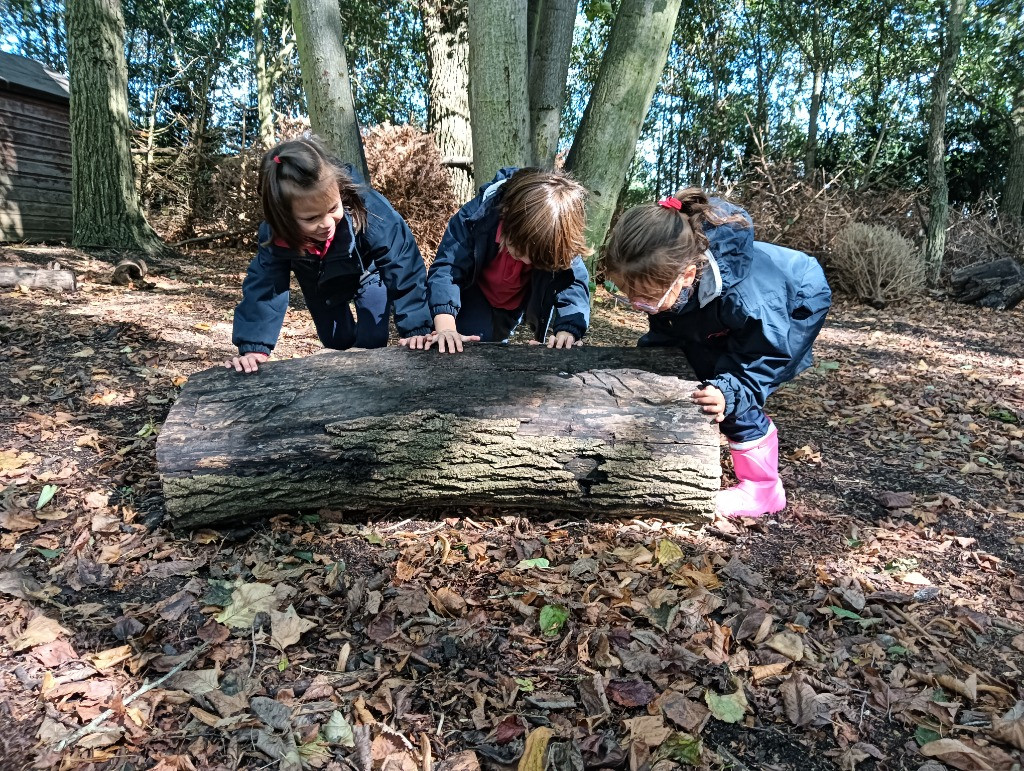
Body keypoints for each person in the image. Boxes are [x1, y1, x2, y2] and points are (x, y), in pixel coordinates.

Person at [601, 189, 832, 518]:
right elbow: (669, 325)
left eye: (645, 297)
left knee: (727, 387)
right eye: (627, 294)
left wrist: (729, 390)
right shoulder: (663, 270)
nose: (637, 304)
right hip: (728, 312)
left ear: (688, 276)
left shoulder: (745, 300)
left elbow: (764, 357)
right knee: (692, 361)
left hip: (796, 302)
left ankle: (763, 489)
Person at [225, 137, 432, 373]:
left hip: (366, 272)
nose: (326, 223)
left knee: (372, 339)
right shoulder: (276, 236)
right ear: (283, 218)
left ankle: (370, 383)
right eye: (311, 218)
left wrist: (418, 328)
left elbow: (402, 261)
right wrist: (253, 347)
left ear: (339, 190)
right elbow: (265, 288)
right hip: (318, 280)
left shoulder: (367, 207)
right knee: (336, 341)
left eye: (333, 208)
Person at [401, 167, 592, 353]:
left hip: (511, 306)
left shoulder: (556, 236)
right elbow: (448, 269)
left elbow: (573, 282)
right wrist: (446, 329)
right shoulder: (476, 218)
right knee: (471, 341)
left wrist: (568, 329)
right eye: (518, 250)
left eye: (534, 259)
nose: (525, 261)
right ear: (506, 216)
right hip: (475, 292)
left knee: (493, 347)